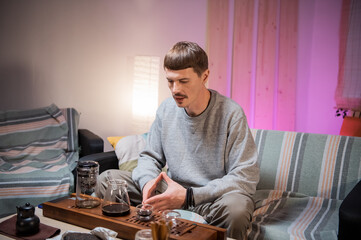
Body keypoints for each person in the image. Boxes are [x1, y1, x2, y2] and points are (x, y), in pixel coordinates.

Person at [96, 41, 259, 239]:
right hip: (168, 193)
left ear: (204, 76)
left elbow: (245, 176)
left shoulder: (231, 113)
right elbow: (149, 157)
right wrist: (148, 184)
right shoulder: (166, 109)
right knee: (108, 179)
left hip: (211, 199)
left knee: (238, 209)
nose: (175, 90)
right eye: (170, 81)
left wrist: (189, 196)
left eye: (183, 81)